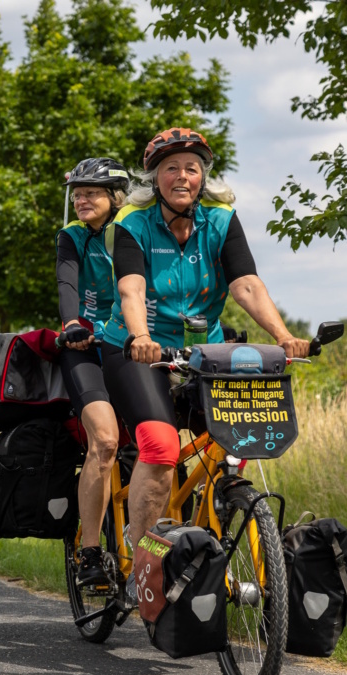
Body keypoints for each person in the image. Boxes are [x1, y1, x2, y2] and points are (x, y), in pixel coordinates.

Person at [100, 128, 309, 600]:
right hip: (137, 349)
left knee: (235, 435)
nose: (182, 176)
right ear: (155, 178)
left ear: (202, 177)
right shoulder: (133, 221)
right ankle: (145, 567)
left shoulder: (222, 219)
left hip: (200, 351)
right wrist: (140, 337)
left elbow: (246, 285)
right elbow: (131, 288)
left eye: (192, 167)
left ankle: (214, 525)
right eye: (171, 167)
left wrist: (284, 336)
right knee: (158, 446)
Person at [55, 157, 129, 586]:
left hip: (134, 343)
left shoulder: (136, 231)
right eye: (77, 193)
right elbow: (68, 284)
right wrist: (71, 326)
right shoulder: (73, 237)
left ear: (115, 198)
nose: (81, 200)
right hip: (84, 344)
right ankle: (90, 553)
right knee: (103, 442)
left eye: (91, 193)